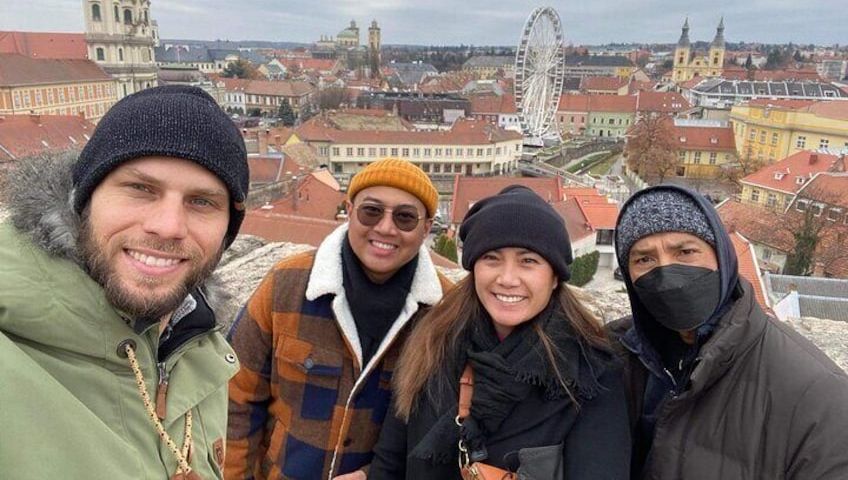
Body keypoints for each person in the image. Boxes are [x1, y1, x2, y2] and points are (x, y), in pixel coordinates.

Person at [0, 85, 250, 479]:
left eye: (202, 201)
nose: (168, 226)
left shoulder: (196, 342)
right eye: (140, 188)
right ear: (83, 199)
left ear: (226, 233)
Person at [369, 185, 631, 479]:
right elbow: (389, 463)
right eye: (491, 258)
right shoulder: (431, 342)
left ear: (555, 277)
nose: (507, 279)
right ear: (474, 267)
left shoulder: (589, 370)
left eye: (528, 261)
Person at [226, 158, 454, 480]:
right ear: (349, 211)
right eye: (371, 211)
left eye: (405, 217)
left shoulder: (444, 314)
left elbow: (442, 431)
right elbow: (235, 398)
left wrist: (376, 475)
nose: (386, 228)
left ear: (427, 227)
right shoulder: (287, 285)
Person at [613, 184, 848, 479]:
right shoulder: (612, 354)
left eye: (685, 251)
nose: (667, 274)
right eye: (644, 259)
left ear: (721, 258)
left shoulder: (818, 395)